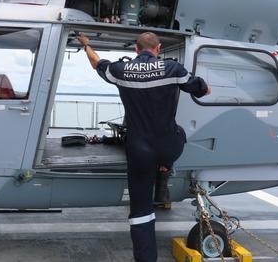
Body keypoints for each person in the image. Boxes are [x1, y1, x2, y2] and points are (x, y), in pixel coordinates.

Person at [77, 31, 210, 262]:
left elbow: (95, 62)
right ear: (158, 48)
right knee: (179, 134)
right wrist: (204, 87)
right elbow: (201, 89)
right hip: (169, 146)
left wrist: (86, 45)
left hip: (139, 150)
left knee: (140, 211)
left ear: (136, 50)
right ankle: (165, 168)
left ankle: (146, 258)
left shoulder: (120, 70)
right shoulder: (172, 69)